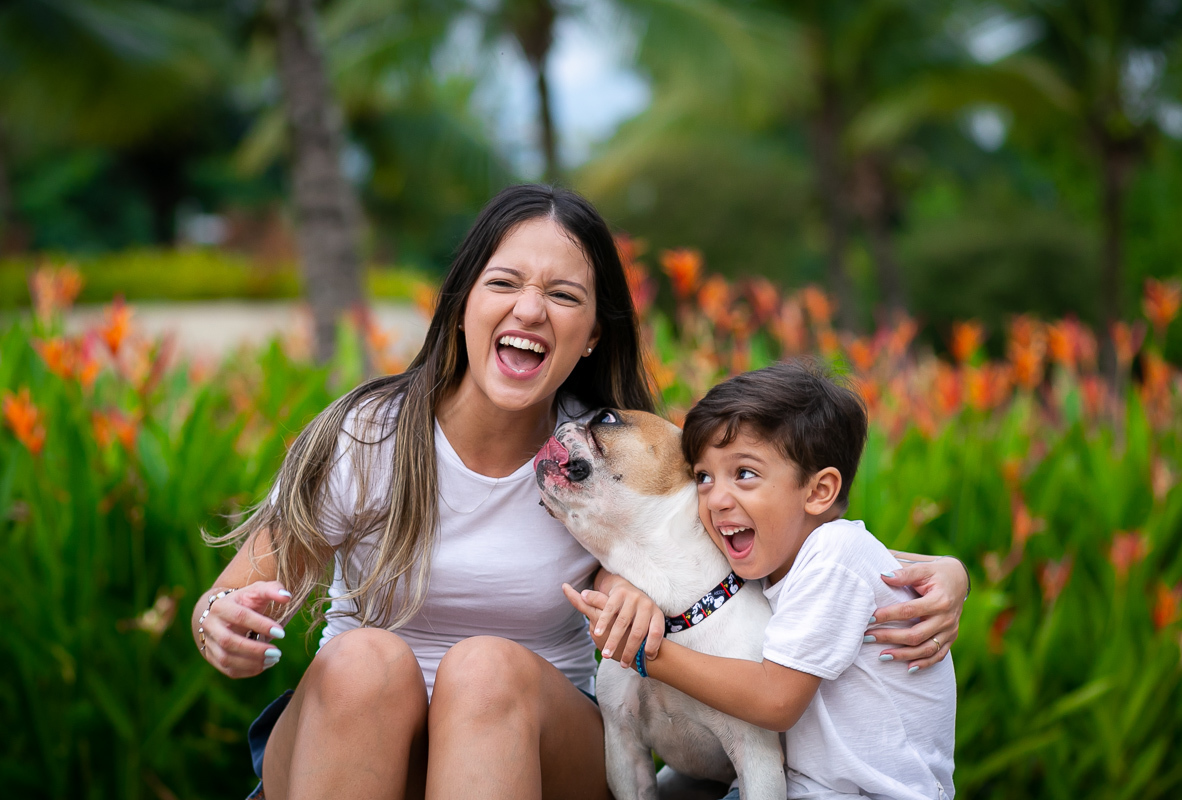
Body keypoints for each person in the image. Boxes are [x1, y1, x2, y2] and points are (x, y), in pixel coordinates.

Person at [191, 185, 967, 800]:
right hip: (353, 736)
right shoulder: (369, 436)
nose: (529, 309)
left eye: (563, 295)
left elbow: (761, 536)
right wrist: (221, 624)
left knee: (485, 668)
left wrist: (931, 572)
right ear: (462, 302)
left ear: (594, 331)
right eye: (504, 283)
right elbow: (233, 596)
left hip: (526, 740)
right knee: (364, 659)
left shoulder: (604, 462)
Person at [569, 360, 957, 799]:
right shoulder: (782, 559)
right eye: (703, 477)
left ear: (819, 492)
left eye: (745, 474)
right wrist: (953, 569)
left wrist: (641, 650)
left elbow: (776, 701)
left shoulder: (835, 556)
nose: (715, 499)